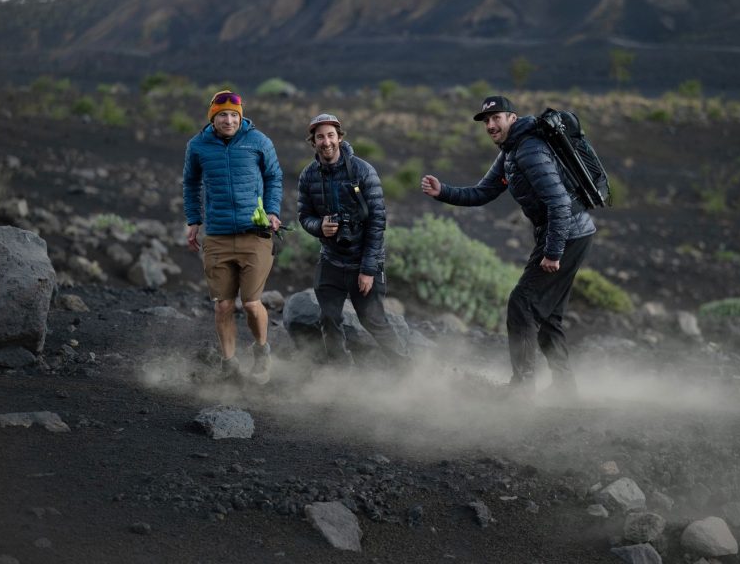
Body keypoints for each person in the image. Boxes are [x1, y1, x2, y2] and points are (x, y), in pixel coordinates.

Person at [420, 95, 596, 401]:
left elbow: (559, 204)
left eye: (496, 118)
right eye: (486, 121)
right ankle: (566, 389)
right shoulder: (511, 152)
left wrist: (553, 253)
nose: (490, 125)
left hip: (566, 235)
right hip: (566, 234)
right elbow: (483, 192)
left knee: (522, 303)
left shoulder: (529, 150)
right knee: (548, 314)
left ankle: (523, 387)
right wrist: (443, 192)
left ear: (512, 118)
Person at [183, 89, 283, 381]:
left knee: (251, 303)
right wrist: (194, 220)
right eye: (222, 115)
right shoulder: (198, 146)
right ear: (213, 118)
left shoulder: (258, 141)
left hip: (255, 233)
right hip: (218, 235)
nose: (229, 120)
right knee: (223, 305)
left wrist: (274, 211)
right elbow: (190, 184)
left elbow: (274, 177)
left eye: (233, 115)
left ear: (241, 117)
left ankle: (261, 350)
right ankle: (229, 366)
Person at [297, 113, 409, 368]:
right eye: (320, 137)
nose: (326, 142)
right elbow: (304, 216)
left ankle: (407, 372)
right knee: (328, 318)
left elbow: (378, 223)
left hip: (363, 262)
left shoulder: (363, 171)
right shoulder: (308, 176)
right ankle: (340, 373)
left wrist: (368, 270)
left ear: (339, 137)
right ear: (312, 142)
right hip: (331, 260)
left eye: (330, 135)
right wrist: (319, 227)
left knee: (375, 322)